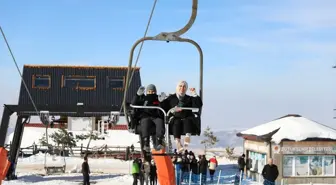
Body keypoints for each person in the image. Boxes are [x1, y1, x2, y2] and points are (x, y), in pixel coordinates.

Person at [161, 80, 203, 153]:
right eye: (180, 86)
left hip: (186, 117)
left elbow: (198, 104)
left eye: (184, 87)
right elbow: (163, 107)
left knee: (188, 120)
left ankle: (187, 136)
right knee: (176, 122)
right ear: (177, 87)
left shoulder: (189, 98)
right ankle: (178, 142)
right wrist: (161, 101)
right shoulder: (171, 98)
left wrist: (195, 94)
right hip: (175, 117)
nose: (182, 88)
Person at [132, 84, 165, 152]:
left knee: (160, 122)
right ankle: (146, 142)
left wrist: (162, 101)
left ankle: (159, 140)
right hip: (146, 115)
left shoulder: (157, 98)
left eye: (153, 92)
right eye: (149, 91)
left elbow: (163, 107)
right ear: (147, 92)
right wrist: (137, 95)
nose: (151, 93)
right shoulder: (144, 98)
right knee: (145, 123)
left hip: (156, 116)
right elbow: (134, 104)